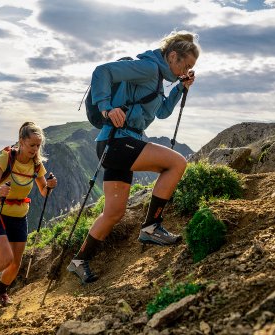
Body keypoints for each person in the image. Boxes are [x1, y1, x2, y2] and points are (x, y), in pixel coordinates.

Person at [68, 31, 200, 284]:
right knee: (177, 163)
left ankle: (79, 260)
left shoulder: (158, 79)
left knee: (113, 213)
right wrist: (106, 106)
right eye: (186, 65)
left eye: (191, 68)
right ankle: (152, 226)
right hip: (118, 141)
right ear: (172, 56)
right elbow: (102, 71)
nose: (187, 70)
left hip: (116, 144)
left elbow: (161, 113)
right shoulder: (149, 67)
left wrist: (179, 89)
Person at [0, 121, 57, 306]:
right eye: (32, 145)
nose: (35, 149)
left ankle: (1, 293)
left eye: (38, 146)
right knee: (6, 258)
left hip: (19, 216)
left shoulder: (37, 165)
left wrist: (50, 186)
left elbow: (44, 191)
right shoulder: (5, 158)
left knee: (16, 263)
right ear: (21, 141)